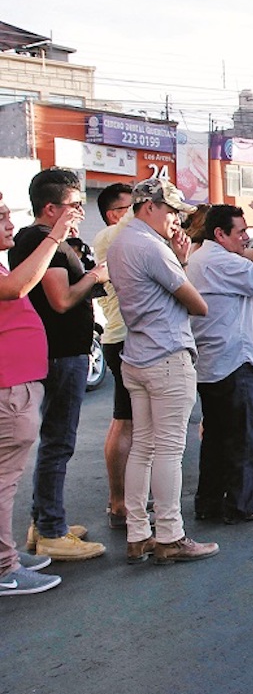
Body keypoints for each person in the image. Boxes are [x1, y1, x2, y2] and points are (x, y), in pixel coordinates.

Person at [106, 179, 218, 564]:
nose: (176, 221)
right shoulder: (152, 247)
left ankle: (139, 533)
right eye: (171, 212)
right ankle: (170, 535)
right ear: (148, 206)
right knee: (169, 449)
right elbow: (197, 303)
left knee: (145, 447)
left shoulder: (122, 242)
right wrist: (180, 259)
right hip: (166, 354)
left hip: (137, 355)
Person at [9, 168, 108, 562]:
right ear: (50, 208)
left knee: (56, 441)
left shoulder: (53, 243)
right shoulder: (38, 239)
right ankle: (50, 528)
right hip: (60, 354)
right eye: (73, 206)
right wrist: (97, 275)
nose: (79, 213)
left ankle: (45, 520)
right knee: (58, 441)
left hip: (65, 351)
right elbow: (61, 300)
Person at [186, 204, 253, 523]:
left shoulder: (205, 258)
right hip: (234, 360)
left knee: (217, 438)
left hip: (215, 360)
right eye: (241, 232)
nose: (246, 238)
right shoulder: (219, 261)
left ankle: (210, 501)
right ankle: (242, 502)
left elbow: (251, 259)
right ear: (220, 234)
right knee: (245, 436)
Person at [1, 192, 83, 594]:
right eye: (1, 216)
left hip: (17, 385)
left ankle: (9, 557)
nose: (10, 223)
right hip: (8, 388)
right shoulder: (36, 247)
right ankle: (5, 567)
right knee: (4, 482)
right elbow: (18, 289)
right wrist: (55, 237)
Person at [92, 182, 136, 530]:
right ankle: (119, 500)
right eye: (131, 206)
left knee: (132, 420)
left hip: (125, 338)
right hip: (123, 338)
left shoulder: (125, 236)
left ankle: (125, 497)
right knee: (126, 419)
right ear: (113, 214)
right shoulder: (110, 236)